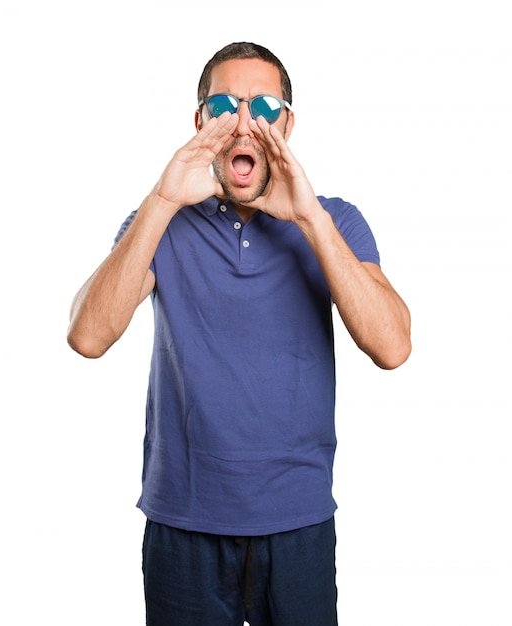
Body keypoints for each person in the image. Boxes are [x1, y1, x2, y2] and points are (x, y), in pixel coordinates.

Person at [67, 41, 411, 626]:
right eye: (227, 106)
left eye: (265, 108)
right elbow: (88, 336)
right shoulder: (160, 225)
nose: (245, 124)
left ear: (289, 124)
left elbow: (393, 347)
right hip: (184, 525)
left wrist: (309, 219)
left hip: (298, 524)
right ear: (201, 121)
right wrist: (163, 199)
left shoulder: (334, 220)